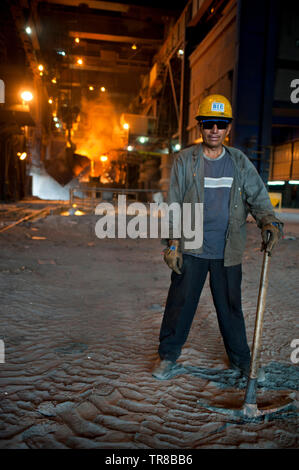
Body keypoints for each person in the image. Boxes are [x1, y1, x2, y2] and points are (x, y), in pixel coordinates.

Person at [152, 94, 283, 380]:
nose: (215, 130)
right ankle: (168, 357)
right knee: (180, 305)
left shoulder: (238, 161)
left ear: (228, 128)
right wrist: (172, 244)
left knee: (231, 309)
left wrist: (269, 222)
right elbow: (174, 203)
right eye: (209, 123)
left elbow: (258, 197)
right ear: (200, 126)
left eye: (221, 124)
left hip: (227, 250)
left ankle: (242, 361)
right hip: (192, 248)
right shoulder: (185, 160)